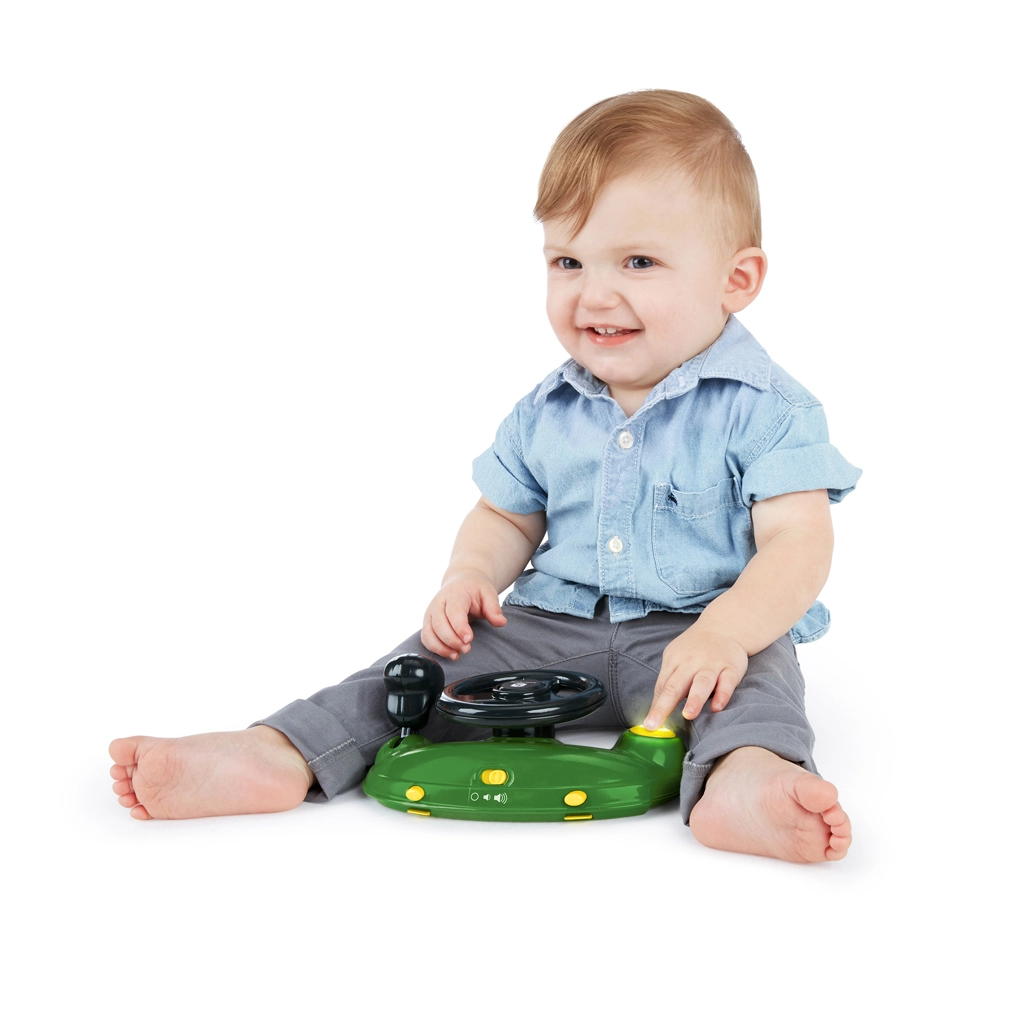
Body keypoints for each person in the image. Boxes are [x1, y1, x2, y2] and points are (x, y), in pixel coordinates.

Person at [109, 90, 860, 862]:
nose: (594, 294)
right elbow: (506, 515)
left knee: (756, 687)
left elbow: (798, 544)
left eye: (638, 262)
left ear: (737, 279)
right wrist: (468, 575)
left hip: (698, 630)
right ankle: (283, 752)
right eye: (568, 262)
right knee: (417, 670)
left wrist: (727, 634)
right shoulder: (546, 409)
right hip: (548, 626)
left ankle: (745, 780)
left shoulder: (769, 411)